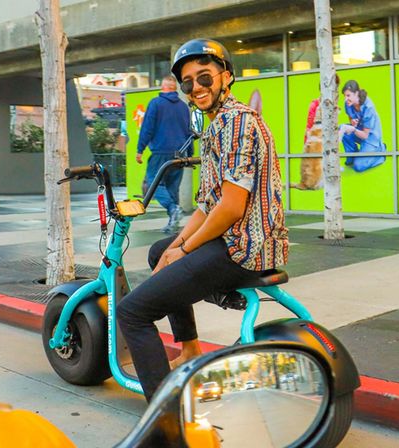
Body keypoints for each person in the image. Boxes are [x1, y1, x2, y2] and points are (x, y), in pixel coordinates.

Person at [117, 39, 289, 402]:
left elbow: (229, 209)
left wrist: (186, 250)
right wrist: (176, 247)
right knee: (160, 252)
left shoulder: (236, 121)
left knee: (132, 312)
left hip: (246, 249)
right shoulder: (215, 125)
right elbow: (206, 207)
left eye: (204, 77)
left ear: (226, 76)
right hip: (235, 240)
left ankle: (165, 414)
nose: (196, 87)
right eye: (187, 82)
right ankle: (191, 348)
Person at [137, 75, 192, 233]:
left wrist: (140, 150)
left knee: (153, 183)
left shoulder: (156, 103)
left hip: (161, 152)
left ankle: (172, 208)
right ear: (174, 88)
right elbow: (188, 131)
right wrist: (189, 154)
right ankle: (172, 224)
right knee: (172, 188)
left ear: (163, 87)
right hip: (180, 154)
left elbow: (147, 128)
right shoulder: (183, 107)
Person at [339, 80, 386, 172]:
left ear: (356, 93)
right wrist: (352, 121)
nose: (345, 99)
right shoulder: (348, 103)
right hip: (359, 131)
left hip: (370, 137)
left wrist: (353, 129)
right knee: (342, 128)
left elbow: (365, 135)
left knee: (359, 167)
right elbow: (350, 116)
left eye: (348, 95)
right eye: (344, 96)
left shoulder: (368, 107)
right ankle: (352, 156)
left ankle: (380, 152)